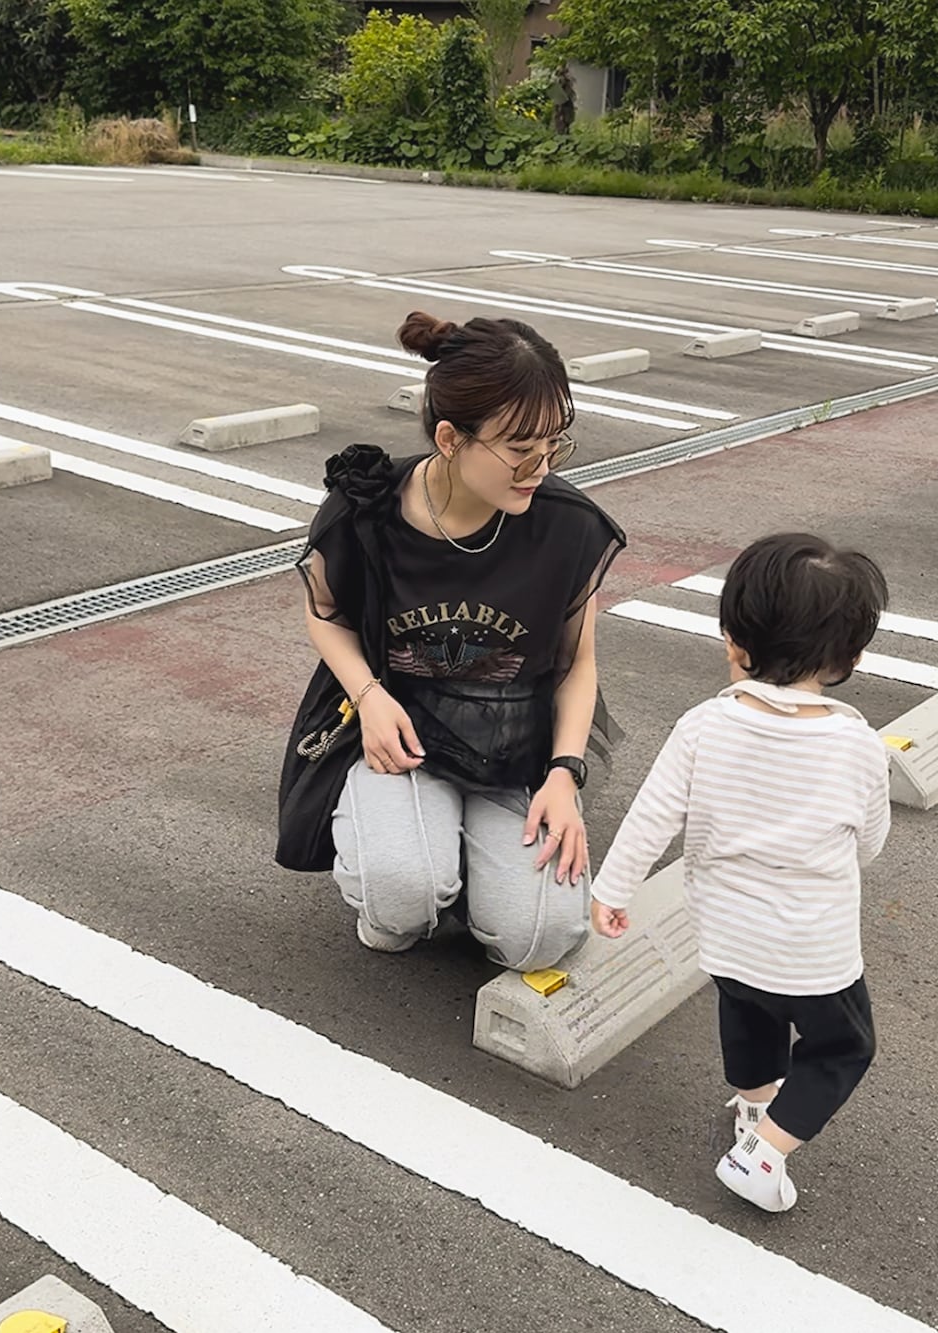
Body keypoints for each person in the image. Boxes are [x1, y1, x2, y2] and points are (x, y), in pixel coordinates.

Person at [292, 311, 625, 971]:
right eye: (520, 449)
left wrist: (565, 773)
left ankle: (465, 855)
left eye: (555, 444)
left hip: (514, 746)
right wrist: (368, 693)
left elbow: (576, 664)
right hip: (403, 739)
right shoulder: (369, 510)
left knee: (540, 941)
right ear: (450, 437)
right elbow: (325, 612)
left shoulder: (568, 526)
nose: (541, 467)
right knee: (398, 906)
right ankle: (415, 862)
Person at [590, 533, 891, 1212]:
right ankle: (764, 1153)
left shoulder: (703, 725)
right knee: (842, 1046)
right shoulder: (855, 743)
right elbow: (868, 840)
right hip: (813, 950)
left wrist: (612, 890)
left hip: (726, 935)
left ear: (733, 641)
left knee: (748, 1011)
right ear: (851, 657)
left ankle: (755, 1110)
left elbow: (651, 816)